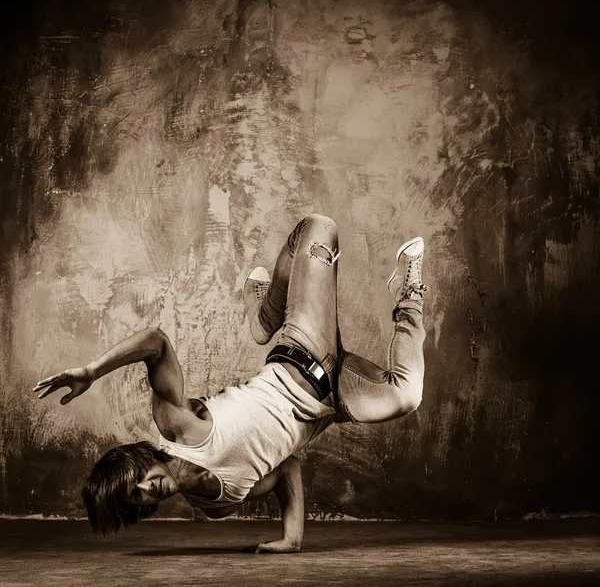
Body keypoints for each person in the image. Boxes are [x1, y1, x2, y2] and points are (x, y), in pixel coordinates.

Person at [34, 213, 428, 553]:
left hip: (304, 346)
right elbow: (288, 468)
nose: (145, 490)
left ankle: (267, 316)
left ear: (138, 461)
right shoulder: (219, 502)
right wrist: (293, 538)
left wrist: (92, 370)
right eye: (135, 500)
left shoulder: (177, 425)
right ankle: (409, 293)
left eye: (135, 481)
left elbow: (155, 342)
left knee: (319, 228)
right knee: (407, 394)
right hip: (334, 400)